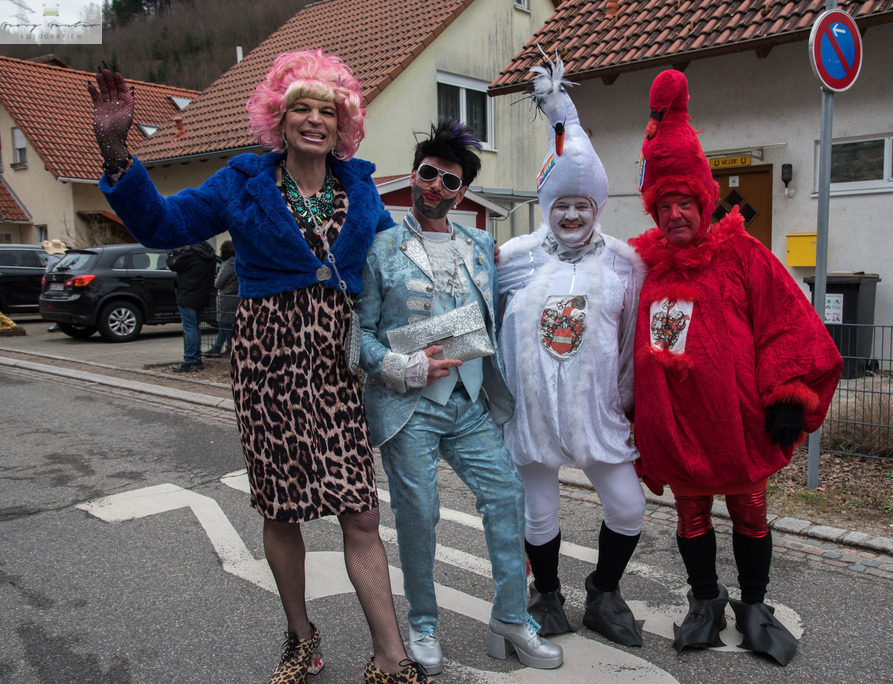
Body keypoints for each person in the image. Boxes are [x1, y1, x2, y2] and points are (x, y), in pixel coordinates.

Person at [89, 50, 431, 684]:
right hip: (267, 364)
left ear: (343, 122)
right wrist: (118, 158)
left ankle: (390, 655)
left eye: (327, 110)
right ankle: (301, 637)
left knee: (358, 510)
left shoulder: (359, 189)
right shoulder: (242, 180)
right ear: (278, 115)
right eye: (300, 106)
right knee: (281, 509)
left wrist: (450, 281)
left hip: (335, 366)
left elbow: (396, 268)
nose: (313, 119)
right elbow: (166, 225)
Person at [628, 69, 844, 667]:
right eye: (664, 204)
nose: (675, 214)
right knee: (690, 512)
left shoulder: (743, 254)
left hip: (737, 421)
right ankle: (704, 602)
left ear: (704, 202)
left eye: (685, 203)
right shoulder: (645, 269)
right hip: (680, 425)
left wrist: (788, 391)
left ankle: (753, 606)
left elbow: (786, 322)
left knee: (749, 509)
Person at [356, 118, 563, 675]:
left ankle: (511, 618)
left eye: (450, 182)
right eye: (428, 174)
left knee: (507, 496)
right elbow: (360, 334)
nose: (435, 188)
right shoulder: (381, 250)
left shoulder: (481, 245)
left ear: (462, 192)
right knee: (420, 513)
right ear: (414, 173)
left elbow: (543, 267)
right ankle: (423, 622)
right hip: (410, 407)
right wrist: (403, 366)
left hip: (470, 403)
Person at [496, 57, 647, 648]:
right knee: (538, 514)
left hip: (597, 413)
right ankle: (547, 594)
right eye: (562, 204)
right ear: (546, 203)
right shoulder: (513, 258)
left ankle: (605, 592)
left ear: (598, 206)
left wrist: (632, 400)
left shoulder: (624, 263)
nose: (572, 214)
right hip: (532, 414)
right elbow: (483, 321)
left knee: (628, 505)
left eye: (582, 204)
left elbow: (635, 336)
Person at [166, 241, 216, 372]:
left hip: (187, 295)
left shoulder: (190, 254)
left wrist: (173, 253)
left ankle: (190, 360)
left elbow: (173, 264)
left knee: (189, 328)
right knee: (195, 327)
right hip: (202, 296)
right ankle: (196, 358)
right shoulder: (210, 255)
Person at [205, 240, 238, 358]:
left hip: (225, 298)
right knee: (225, 325)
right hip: (234, 296)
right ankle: (217, 347)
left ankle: (229, 347)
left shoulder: (227, 265)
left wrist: (216, 278)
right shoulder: (237, 263)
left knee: (225, 325)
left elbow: (218, 283)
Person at [41, 239, 67, 332]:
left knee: (55, 302)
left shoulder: (51, 259)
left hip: (54, 282)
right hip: (65, 281)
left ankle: (58, 324)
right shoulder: (66, 257)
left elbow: (48, 272)